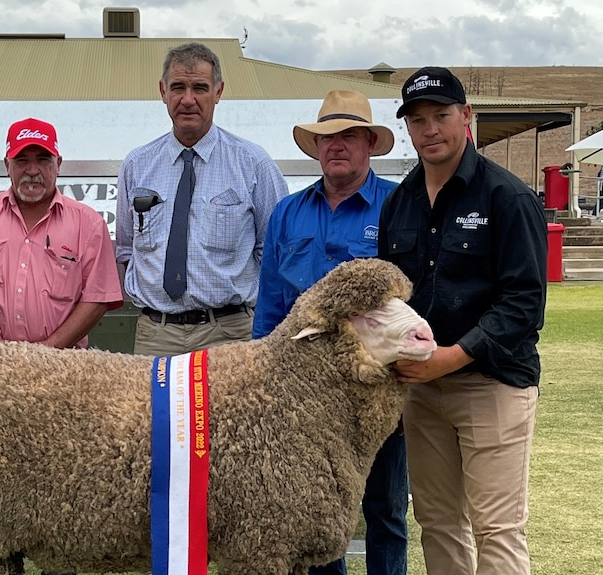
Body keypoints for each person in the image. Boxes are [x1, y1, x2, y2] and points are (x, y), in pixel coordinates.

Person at [379, 67, 546, 575]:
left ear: (466, 117)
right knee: (438, 522)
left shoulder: (507, 198)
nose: (430, 129)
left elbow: (523, 304)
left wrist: (452, 357)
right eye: (418, 119)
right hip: (422, 390)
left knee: (496, 528)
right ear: (407, 127)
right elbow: (391, 301)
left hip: (490, 384)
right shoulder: (399, 203)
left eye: (441, 115)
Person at [253, 90, 407, 575]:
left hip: (376, 384)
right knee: (315, 511)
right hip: (304, 391)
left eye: (349, 135)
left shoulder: (399, 206)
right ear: (315, 148)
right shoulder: (287, 213)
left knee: (384, 507)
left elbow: (412, 302)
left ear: (368, 144)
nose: (336, 145)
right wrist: (264, 380)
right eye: (327, 137)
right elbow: (273, 304)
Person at [116, 41, 288, 356]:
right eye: (178, 87)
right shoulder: (136, 166)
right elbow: (126, 251)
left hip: (230, 334)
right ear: (162, 91)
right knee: (154, 408)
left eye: (200, 88)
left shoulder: (253, 164)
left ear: (218, 92)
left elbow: (275, 254)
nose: (188, 99)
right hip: (157, 336)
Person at [0, 116, 122, 351]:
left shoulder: (89, 224)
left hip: (61, 364)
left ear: (59, 164)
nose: (32, 170)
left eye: (43, 160)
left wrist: (45, 353)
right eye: (21, 160)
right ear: (7, 165)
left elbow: (98, 297)